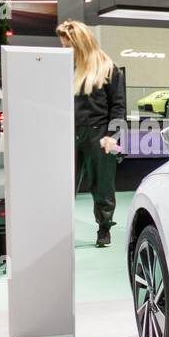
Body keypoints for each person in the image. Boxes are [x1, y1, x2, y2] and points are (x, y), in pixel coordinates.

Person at [57, 20, 126, 248]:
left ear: (80, 43)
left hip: (100, 134)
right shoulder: (64, 68)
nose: (65, 49)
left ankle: (104, 229)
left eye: (68, 45)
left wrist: (113, 136)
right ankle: (59, 231)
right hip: (68, 133)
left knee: (103, 185)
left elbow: (118, 106)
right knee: (63, 184)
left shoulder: (108, 68)